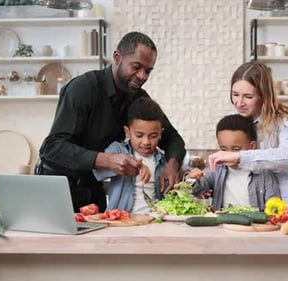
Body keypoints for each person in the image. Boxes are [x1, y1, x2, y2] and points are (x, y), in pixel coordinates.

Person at [35, 32, 186, 212]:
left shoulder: (138, 97)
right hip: (55, 187)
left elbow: (173, 138)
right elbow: (52, 147)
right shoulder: (83, 88)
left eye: (148, 71)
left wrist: (172, 165)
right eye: (137, 67)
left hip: (92, 189)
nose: (142, 76)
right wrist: (107, 160)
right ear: (117, 57)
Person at [207, 61, 288, 207]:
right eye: (235, 95)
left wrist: (240, 156)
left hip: (287, 201)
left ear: (264, 95)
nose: (239, 103)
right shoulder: (238, 124)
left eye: (248, 97)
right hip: (257, 205)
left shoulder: (283, 121)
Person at [186, 114, 279, 211]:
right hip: (223, 224)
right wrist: (192, 180)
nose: (228, 154)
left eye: (236, 149)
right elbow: (197, 188)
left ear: (251, 146)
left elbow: (273, 207)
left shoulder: (264, 174)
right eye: (223, 149)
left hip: (254, 225)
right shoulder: (216, 169)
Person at [93, 97, 167, 213]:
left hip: (153, 221)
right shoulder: (117, 150)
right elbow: (98, 172)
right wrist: (135, 164)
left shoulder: (162, 161)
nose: (146, 142)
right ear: (127, 132)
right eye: (139, 135)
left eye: (153, 136)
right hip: (122, 221)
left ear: (160, 134)